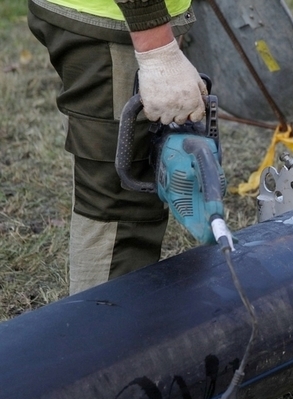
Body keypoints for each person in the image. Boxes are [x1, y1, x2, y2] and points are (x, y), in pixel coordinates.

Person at [27, 0, 207, 295]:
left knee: (118, 179)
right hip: (119, 21)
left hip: (121, 17)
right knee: (121, 204)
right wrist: (156, 49)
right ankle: (105, 331)